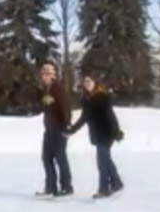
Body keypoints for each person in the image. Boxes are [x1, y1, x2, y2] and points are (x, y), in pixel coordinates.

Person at [67, 74, 125, 198]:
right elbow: (84, 118)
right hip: (98, 134)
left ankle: (104, 189)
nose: (87, 83)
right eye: (85, 81)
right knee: (106, 160)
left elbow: (110, 116)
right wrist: (72, 130)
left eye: (90, 81)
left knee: (102, 161)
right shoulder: (87, 99)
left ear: (95, 83)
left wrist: (116, 131)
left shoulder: (101, 97)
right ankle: (116, 183)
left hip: (106, 133)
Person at [38, 62, 74, 198]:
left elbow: (66, 108)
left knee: (60, 158)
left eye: (46, 74)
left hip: (59, 130)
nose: (43, 77)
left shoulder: (58, 89)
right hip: (49, 130)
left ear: (52, 76)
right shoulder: (46, 90)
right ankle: (50, 187)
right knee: (46, 158)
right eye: (43, 74)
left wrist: (66, 126)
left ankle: (66, 187)